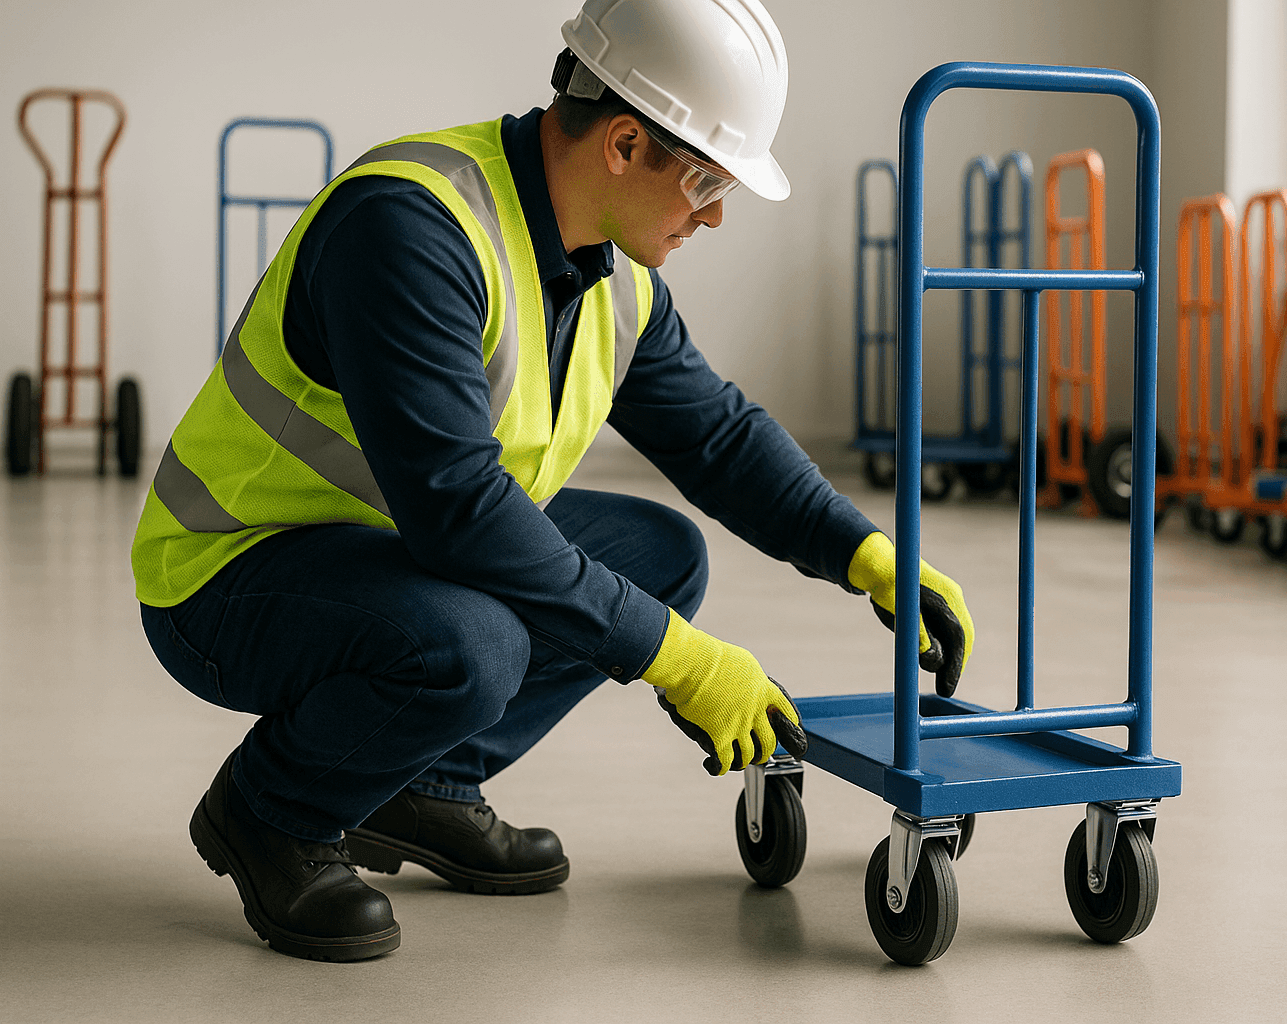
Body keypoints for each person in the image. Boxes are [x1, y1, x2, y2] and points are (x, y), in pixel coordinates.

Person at [133, 0, 974, 962]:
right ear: (623, 144)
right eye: (705, 179)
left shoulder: (613, 278)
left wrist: (866, 555)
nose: (716, 212)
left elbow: (719, 438)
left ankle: (423, 785)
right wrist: (684, 661)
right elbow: (458, 510)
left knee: (660, 556)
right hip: (232, 569)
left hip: (382, 552)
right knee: (472, 643)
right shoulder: (411, 228)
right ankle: (270, 811)